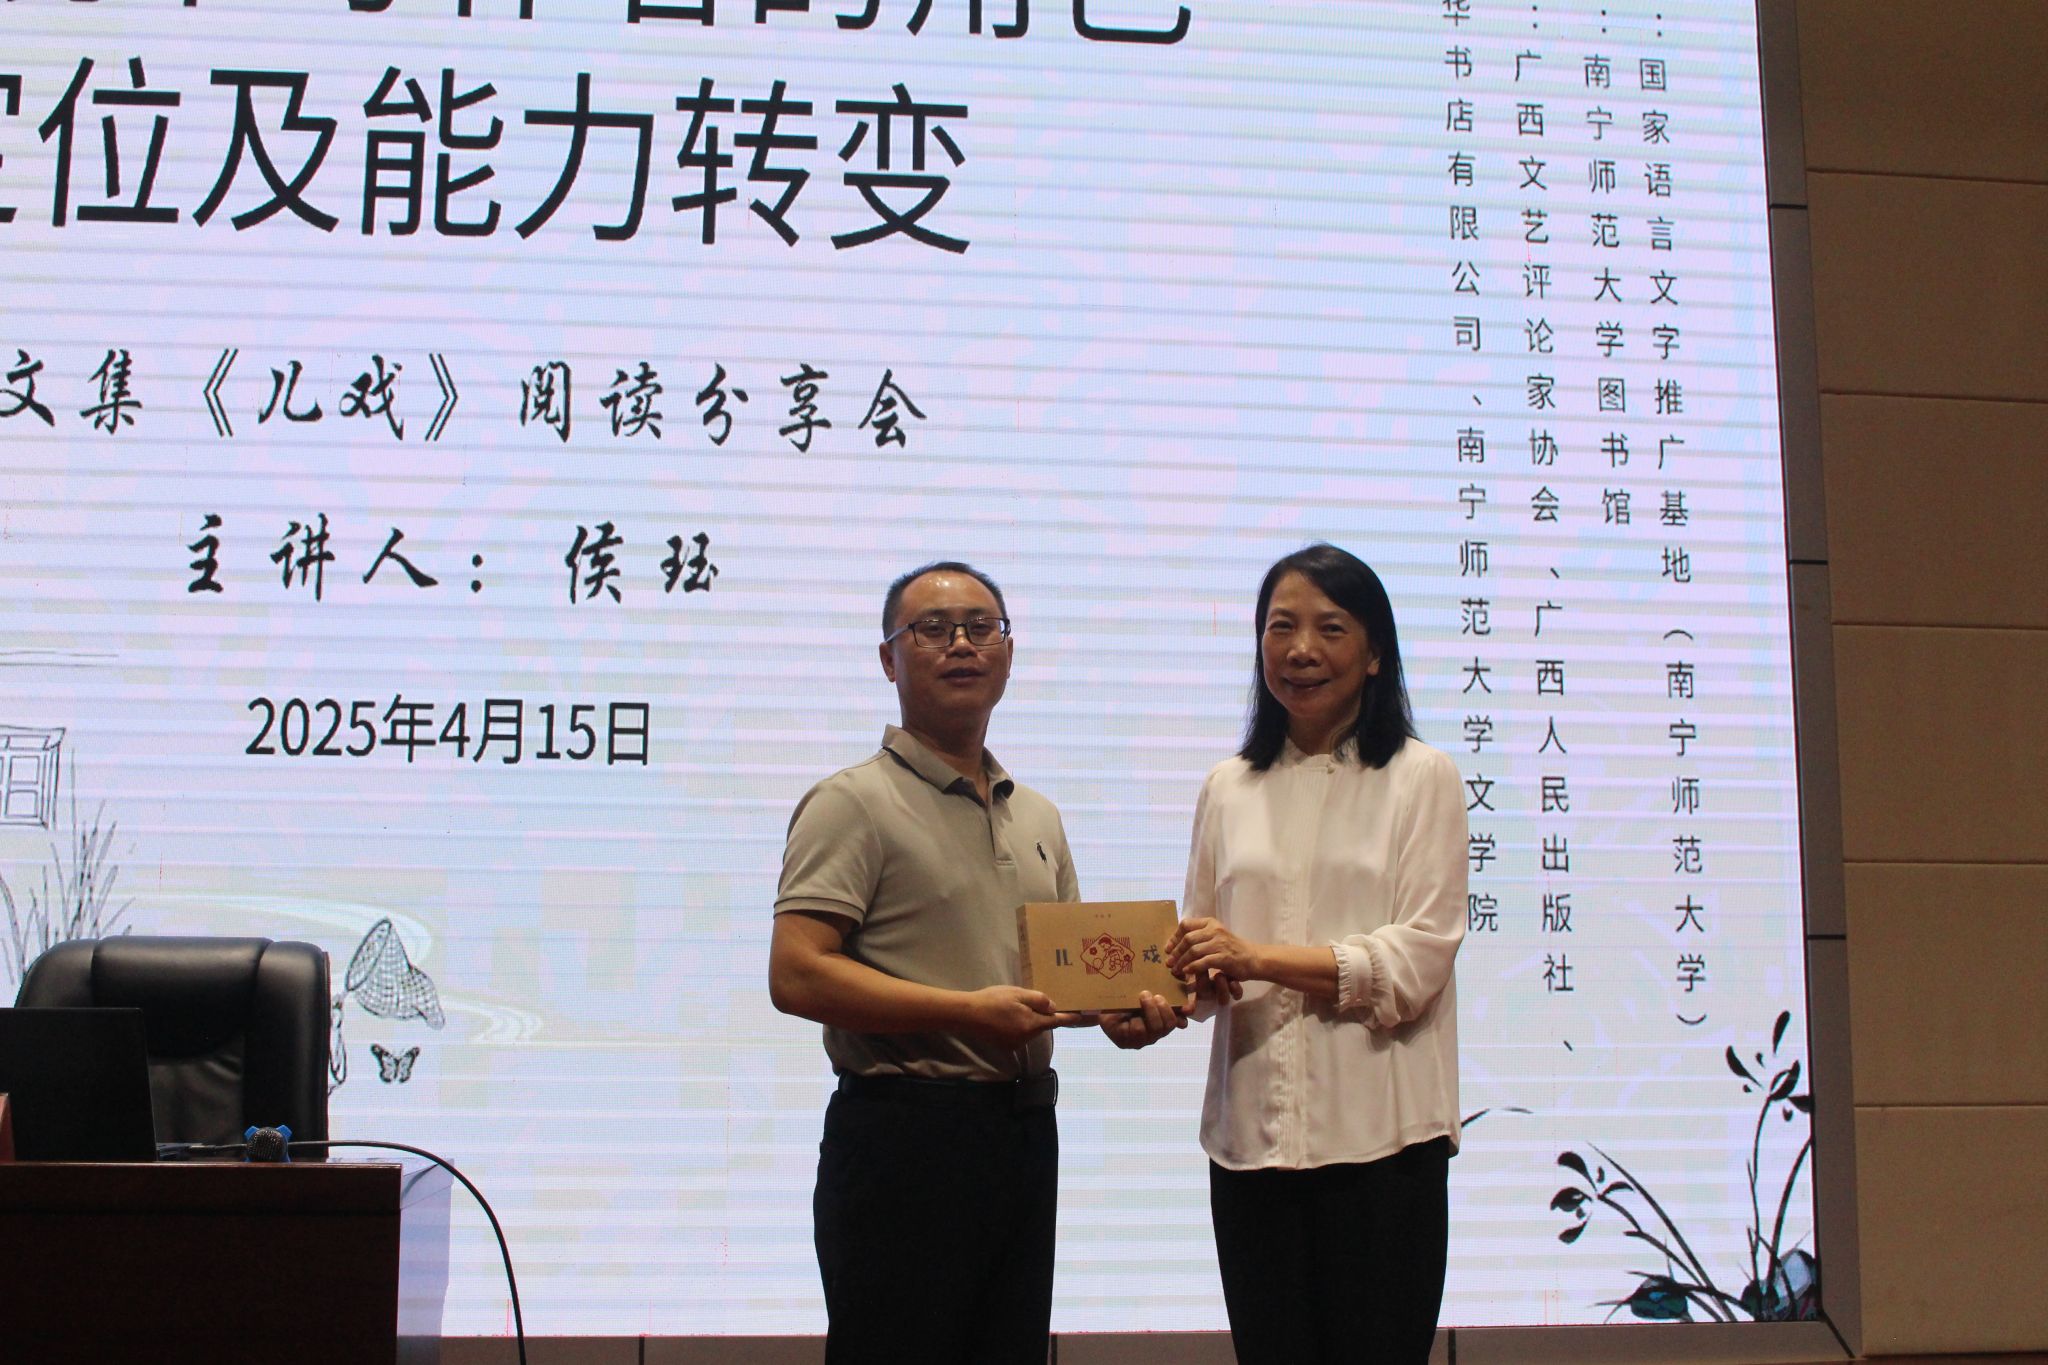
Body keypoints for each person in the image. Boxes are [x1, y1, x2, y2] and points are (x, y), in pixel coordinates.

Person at [770, 560, 1181, 1365]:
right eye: (932, 628)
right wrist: (965, 1011)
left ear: (1009, 653)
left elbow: (1064, 984)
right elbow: (797, 973)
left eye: (980, 627)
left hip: (1023, 1133)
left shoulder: (1038, 814)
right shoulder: (851, 802)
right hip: (904, 1137)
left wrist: (1124, 1015)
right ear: (889, 658)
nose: (960, 644)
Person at [1167, 543, 1467, 1365]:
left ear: (1374, 653)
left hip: (1383, 1146)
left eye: (1330, 628)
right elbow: (1205, 954)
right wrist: (1158, 997)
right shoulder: (1228, 786)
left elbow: (1416, 960)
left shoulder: (1422, 776)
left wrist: (1259, 957)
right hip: (1251, 1145)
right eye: (1281, 627)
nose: (1301, 650)